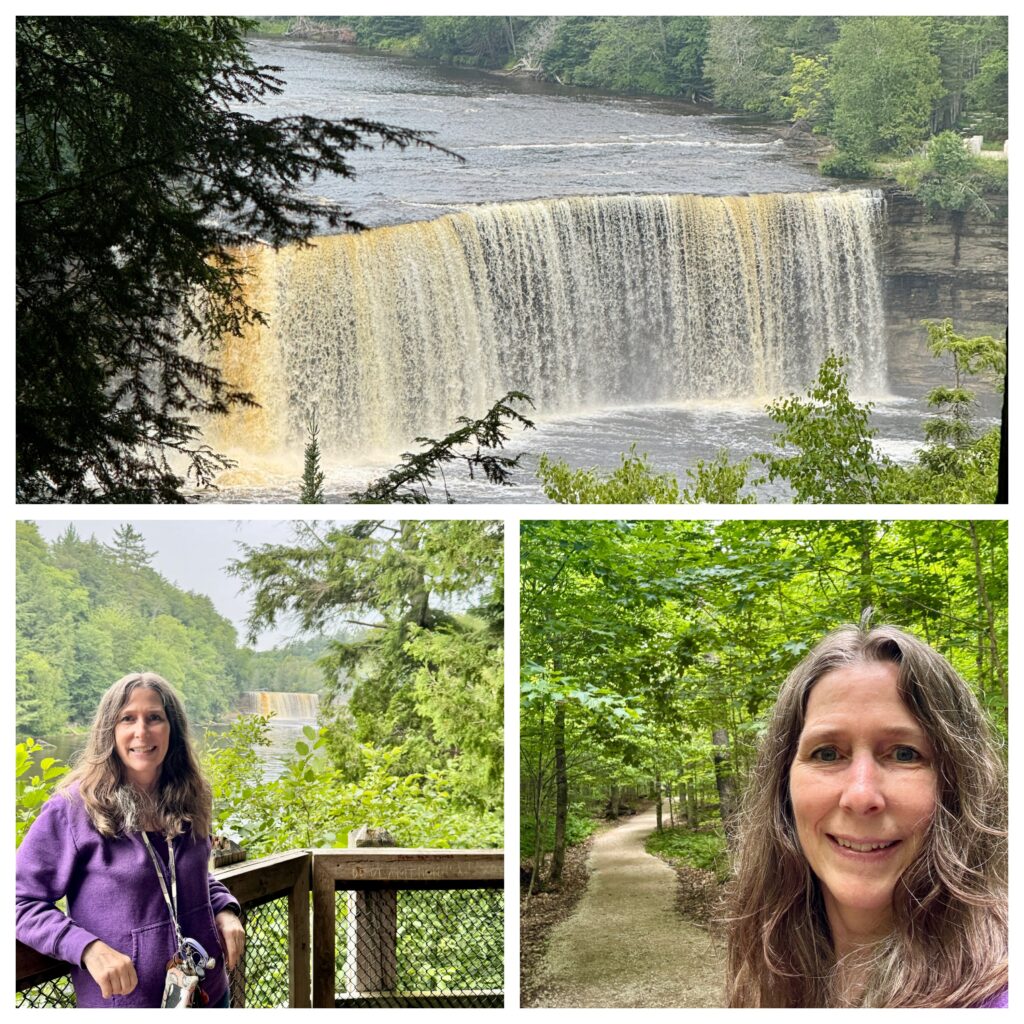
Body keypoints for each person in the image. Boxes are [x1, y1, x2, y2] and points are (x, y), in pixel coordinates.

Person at [726, 625, 1007, 1008]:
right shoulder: (772, 962)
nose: (861, 795)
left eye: (905, 754)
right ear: (783, 785)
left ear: (959, 785)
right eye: (827, 753)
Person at [17, 673, 245, 1008]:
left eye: (155, 717)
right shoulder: (73, 809)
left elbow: (191, 876)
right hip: (127, 1003)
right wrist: (85, 947)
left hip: (206, 994)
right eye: (128, 718)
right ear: (109, 729)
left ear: (174, 729)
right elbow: (17, 901)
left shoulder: (192, 796)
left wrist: (223, 908)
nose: (142, 731)